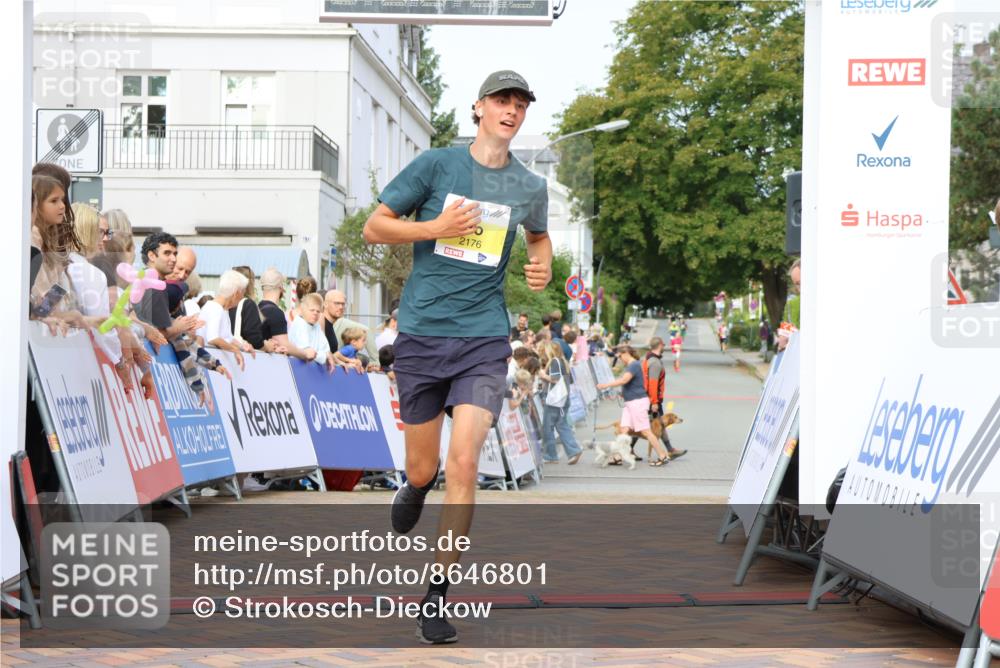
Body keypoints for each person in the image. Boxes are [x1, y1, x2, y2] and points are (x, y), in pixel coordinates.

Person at [362, 69, 551, 644]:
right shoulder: (437, 165)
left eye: (520, 102)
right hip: (421, 335)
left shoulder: (529, 186)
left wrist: (541, 260)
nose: (511, 109)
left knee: (465, 462)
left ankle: (437, 596)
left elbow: (538, 236)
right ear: (479, 108)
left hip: (483, 341)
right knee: (427, 468)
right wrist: (436, 227)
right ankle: (415, 486)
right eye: (501, 99)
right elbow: (374, 228)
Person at [597, 346, 671, 466]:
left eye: (620, 356)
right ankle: (617, 456)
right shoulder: (632, 365)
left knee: (646, 431)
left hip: (637, 403)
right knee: (624, 429)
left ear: (626, 353)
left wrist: (605, 385)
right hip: (630, 403)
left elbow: (624, 380)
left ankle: (662, 456)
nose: (620, 359)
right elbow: (630, 384)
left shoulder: (634, 365)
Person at [196, 269, 255, 370]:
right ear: (236, 293)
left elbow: (228, 337)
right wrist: (235, 350)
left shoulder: (221, 309)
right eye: (242, 294)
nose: (242, 298)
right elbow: (213, 338)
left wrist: (242, 346)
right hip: (211, 365)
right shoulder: (216, 309)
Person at [639, 337, 686, 461]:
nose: (665, 346)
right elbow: (653, 383)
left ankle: (670, 450)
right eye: (663, 344)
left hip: (649, 398)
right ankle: (668, 451)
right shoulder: (654, 362)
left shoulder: (649, 359)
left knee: (656, 425)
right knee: (645, 425)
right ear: (660, 345)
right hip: (652, 400)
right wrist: (654, 402)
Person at [537, 340, 583, 465]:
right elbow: (570, 380)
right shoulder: (563, 361)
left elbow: (555, 379)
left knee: (548, 427)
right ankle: (573, 450)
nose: (541, 354)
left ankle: (551, 455)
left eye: (542, 351)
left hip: (554, 400)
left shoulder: (554, 362)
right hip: (563, 398)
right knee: (561, 425)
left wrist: (542, 375)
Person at [321, 289, 379, 367]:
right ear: (325, 304)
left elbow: (331, 356)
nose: (341, 307)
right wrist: (347, 362)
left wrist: (349, 363)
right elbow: (322, 354)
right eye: (337, 303)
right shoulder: (320, 323)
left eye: (343, 304)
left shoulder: (330, 325)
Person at [228, 265, 275, 352]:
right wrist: (267, 347)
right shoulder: (248, 304)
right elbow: (254, 339)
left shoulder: (226, 304)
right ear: (250, 283)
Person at [288, 292, 337, 371]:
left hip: (311, 370)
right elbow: (308, 353)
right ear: (302, 309)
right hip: (296, 369)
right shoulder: (299, 324)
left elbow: (326, 349)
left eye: (318, 311)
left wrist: (325, 355)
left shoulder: (316, 325)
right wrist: (323, 356)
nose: (315, 313)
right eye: (312, 310)